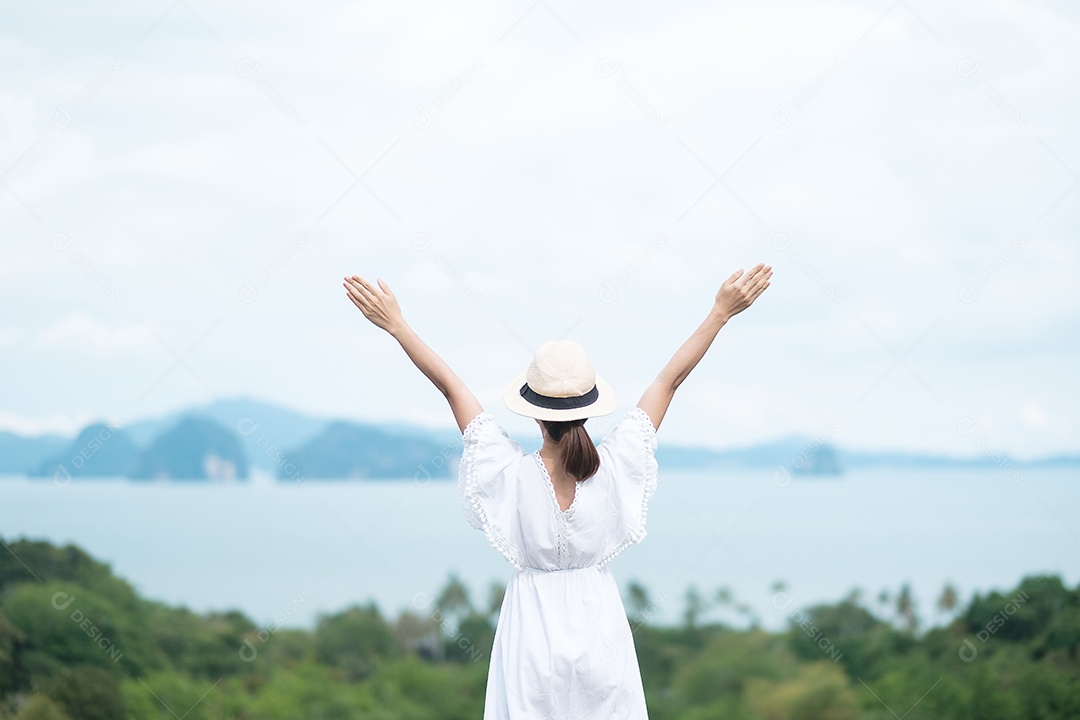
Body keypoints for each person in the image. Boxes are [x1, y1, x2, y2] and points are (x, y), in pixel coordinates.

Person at [342, 263, 772, 719]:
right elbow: (669, 381)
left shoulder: (509, 473)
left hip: (530, 637)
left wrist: (397, 325)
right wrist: (720, 313)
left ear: (533, 412)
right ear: (588, 408)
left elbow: (453, 387)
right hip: (600, 634)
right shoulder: (614, 464)